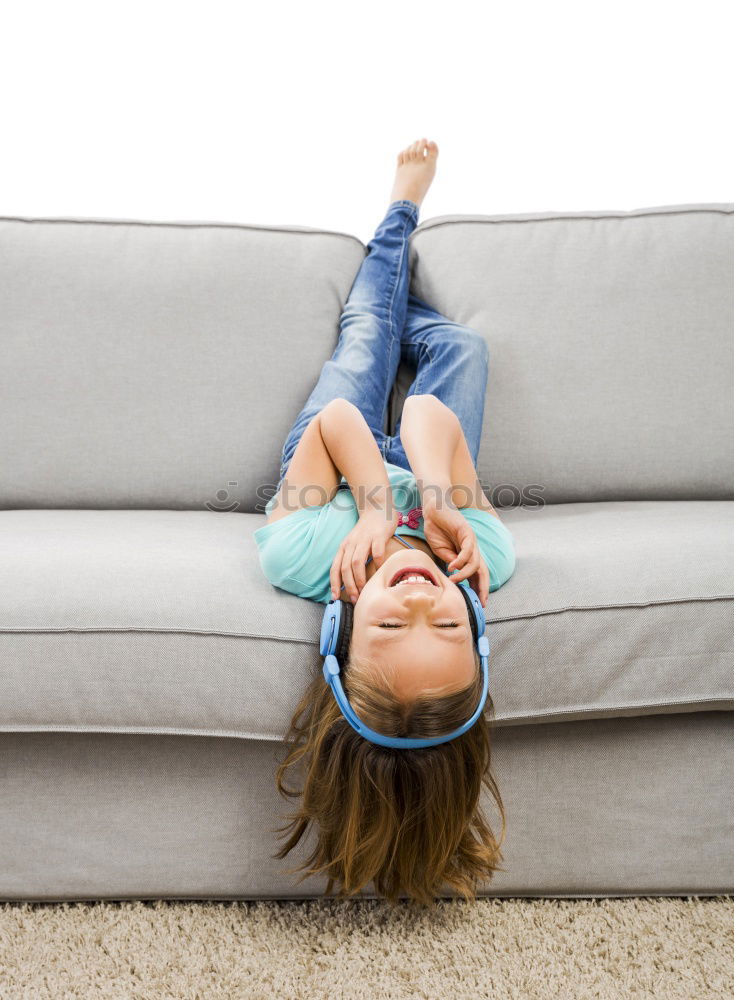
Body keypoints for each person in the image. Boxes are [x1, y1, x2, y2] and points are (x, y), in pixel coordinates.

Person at [254, 139, 517, 907]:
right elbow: (433, 414)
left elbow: (337, 422)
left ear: (340, 631)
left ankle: (398, 220)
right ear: (473, 620)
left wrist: (373, 506)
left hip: (335, 458)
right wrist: (436, 501)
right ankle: (398, 308)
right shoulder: (482, 556)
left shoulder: (305, 553)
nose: (417, 604)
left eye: (389, 631)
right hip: (420, 461)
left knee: (365, 336)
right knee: (464, 350)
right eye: (445, 629)